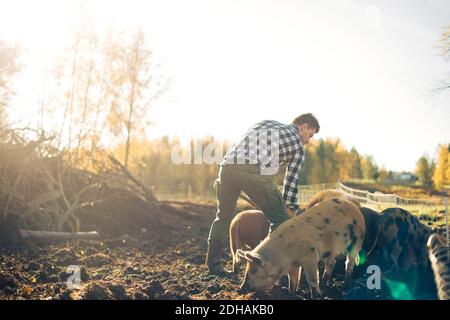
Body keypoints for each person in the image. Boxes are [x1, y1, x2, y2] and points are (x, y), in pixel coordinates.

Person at [205, 113, 320, 274]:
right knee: (281, 220)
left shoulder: (265, 123)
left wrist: (223, 177)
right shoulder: (298, 147)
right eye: (310, 135)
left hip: (227, 167)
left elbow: (238, 146)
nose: (308, 141)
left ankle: (213, 264)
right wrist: (289, 209)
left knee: (222, 216)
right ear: (304, 127)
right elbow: (291, 182)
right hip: (251, 171)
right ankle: (265, 267)